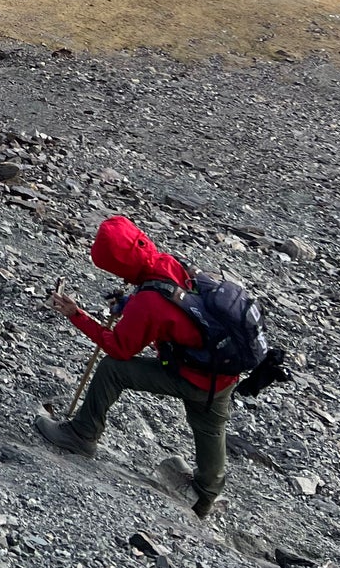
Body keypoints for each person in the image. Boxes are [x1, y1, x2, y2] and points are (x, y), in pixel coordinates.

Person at [34, 215, 237, 517]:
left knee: (112, 369)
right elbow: (174, 305)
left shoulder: (149, 302)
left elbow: (120, 348)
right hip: (224, 367)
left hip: (194, 374)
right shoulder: (168, 262)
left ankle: (81, 434)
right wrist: (128, 305)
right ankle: (205, 496)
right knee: (210, 425)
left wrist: (77, 315)